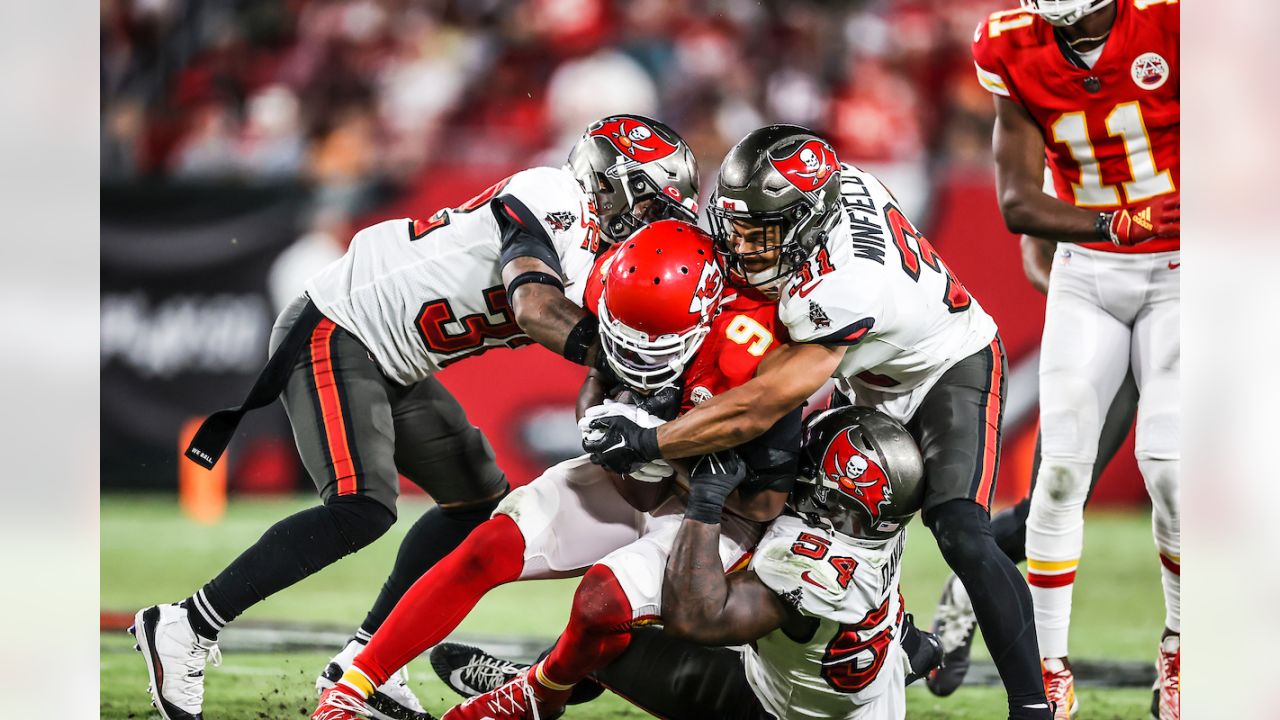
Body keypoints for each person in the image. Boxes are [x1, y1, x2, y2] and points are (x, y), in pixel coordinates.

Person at [131, 114, 700, 720]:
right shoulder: (551, 194)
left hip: (394, 360)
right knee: (362, 506)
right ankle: (187, 623)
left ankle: (367, 659)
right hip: (339, 326)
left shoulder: (602, 257)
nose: (649, 220)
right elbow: (535, 305)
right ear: (606, 182)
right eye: (643, 199)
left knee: (479, 501)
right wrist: (628, 358)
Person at [583, 125, 1056, 719]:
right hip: (870, 366)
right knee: (817, 518)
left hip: (944, 368)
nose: (744, 245)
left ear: (807, 222)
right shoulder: (829, 199)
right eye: (739, 224)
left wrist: (652, 440)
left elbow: (764, 401)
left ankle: (1032, 705)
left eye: (762, 232)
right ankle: (902, 638)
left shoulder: (841, 283)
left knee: (960, 529)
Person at [311, 220, 801, 720]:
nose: (639, 357)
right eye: (625, 340)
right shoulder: (616, 275)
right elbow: (600, 373)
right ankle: (350, 691)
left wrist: (661, 451)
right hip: (645, 473)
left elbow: (763, 502)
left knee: (602, 601)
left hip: (716, 508)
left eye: (655, 344)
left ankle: (533, 694)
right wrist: (601, 422)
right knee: (490, 545)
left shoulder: (759, 347)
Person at [431, 406, 946, 720]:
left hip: (773, 709)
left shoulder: (805, 565)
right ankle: (549, 679)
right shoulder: (876, 530)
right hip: (864, 694)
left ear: (830, 495)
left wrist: (704, 502)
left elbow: (696, 616)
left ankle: (536, 693)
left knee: (616, 628)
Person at [971, 0, 1180, 716]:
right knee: (1058, 471)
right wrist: (1110, 222)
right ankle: (1049, 671)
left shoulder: (1173, 21)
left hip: (1184, 269)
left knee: (1172, 472)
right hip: (1091, 268)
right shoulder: (1009, 44)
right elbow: (1017, 201)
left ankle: (1180, 647)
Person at [926, 234, 1138, 698]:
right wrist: (1091, 306)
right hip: (1112, 326)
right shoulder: (1090, 169)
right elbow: (1032, 236)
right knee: (1055, 502)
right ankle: (971, 588)